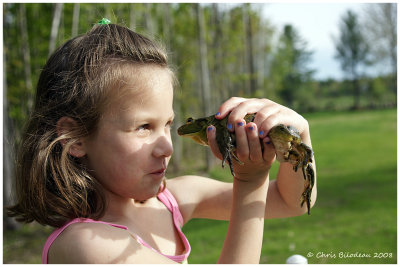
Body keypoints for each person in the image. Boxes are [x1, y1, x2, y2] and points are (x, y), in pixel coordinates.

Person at [7, 21, 317, 264]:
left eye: (167, 124)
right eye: (143, 127)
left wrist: (300, 136)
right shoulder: (86, 245)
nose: (167, 147)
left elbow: (292, 201)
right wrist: (249, 183)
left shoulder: (171, 201)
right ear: (75, 138)